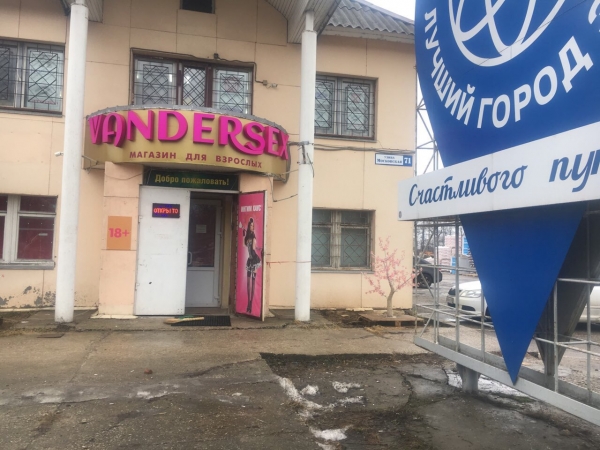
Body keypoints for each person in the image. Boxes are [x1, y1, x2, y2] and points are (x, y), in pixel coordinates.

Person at [244, 218, 261, 314]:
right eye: (251, 225)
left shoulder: (254, 236)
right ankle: (248, 303)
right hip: (250, 260)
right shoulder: (247, 237)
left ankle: (250, 304)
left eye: (253, 226)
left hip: (254, 260)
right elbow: (245, 245)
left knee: (253, 282)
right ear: (249, 226)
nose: (252, 227)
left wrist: (259, 248)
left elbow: (254, 248)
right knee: (248, 282)